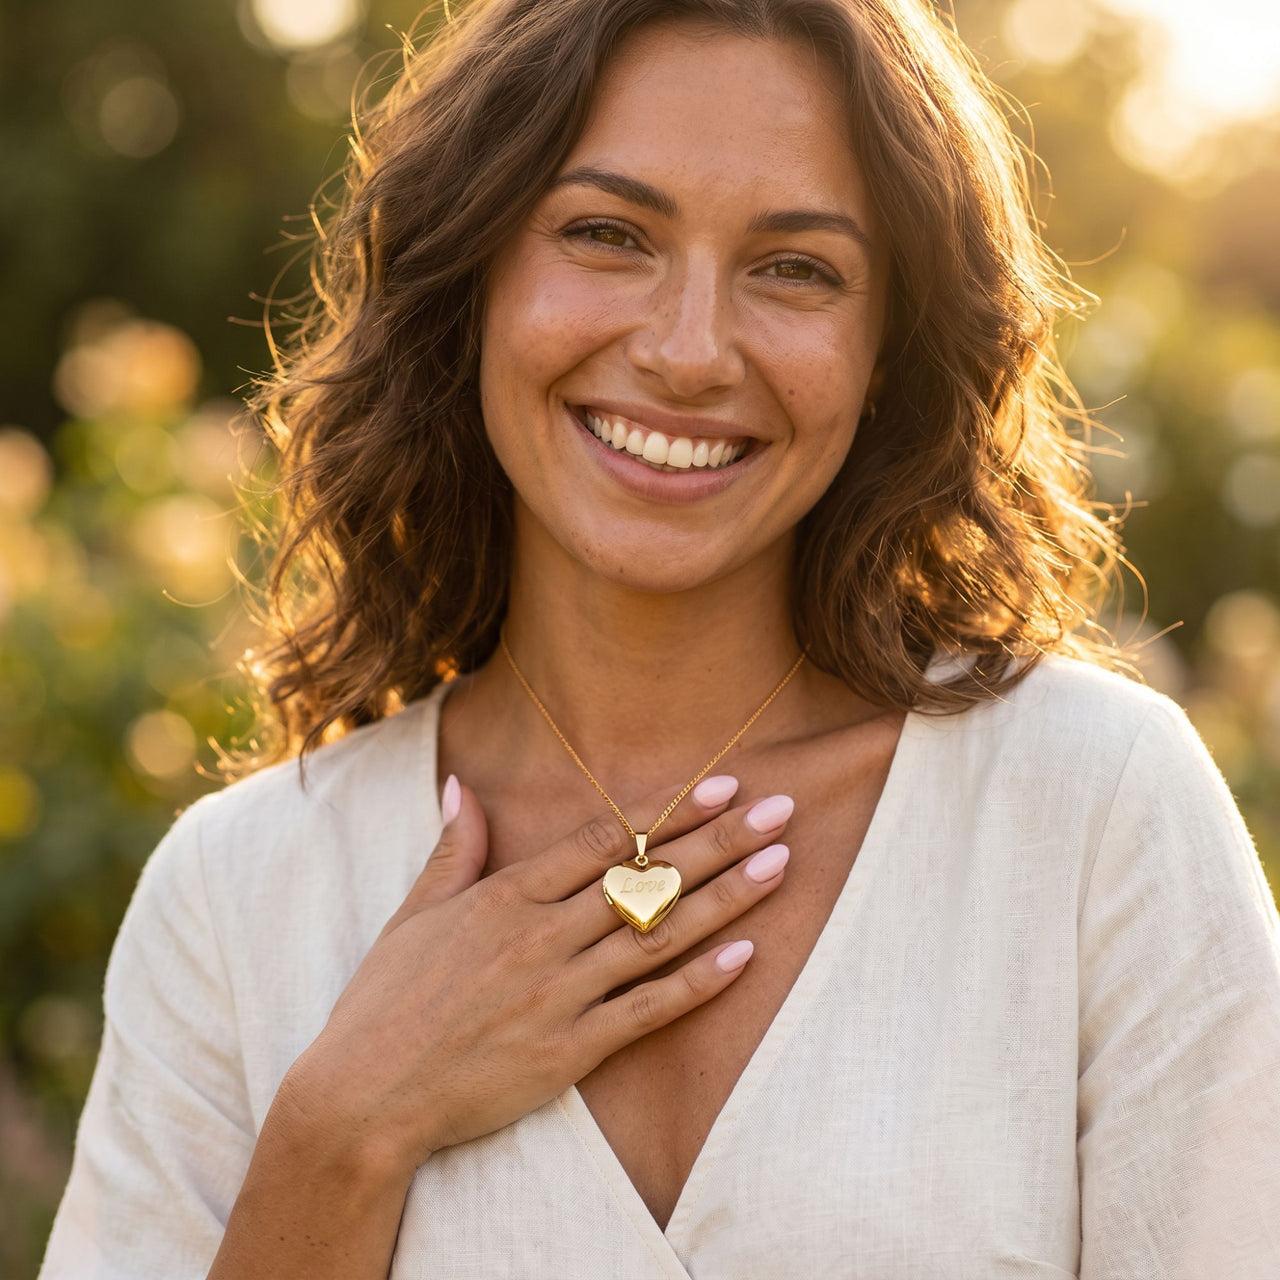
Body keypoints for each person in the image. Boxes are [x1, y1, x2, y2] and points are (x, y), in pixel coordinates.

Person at [39, 0, 1280, 1277]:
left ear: (885, 347)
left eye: (794, 266)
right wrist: (341, 1129)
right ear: (468, 278)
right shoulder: (236, 896)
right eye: (605, 235)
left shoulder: (1092, 812)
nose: (688, 351)